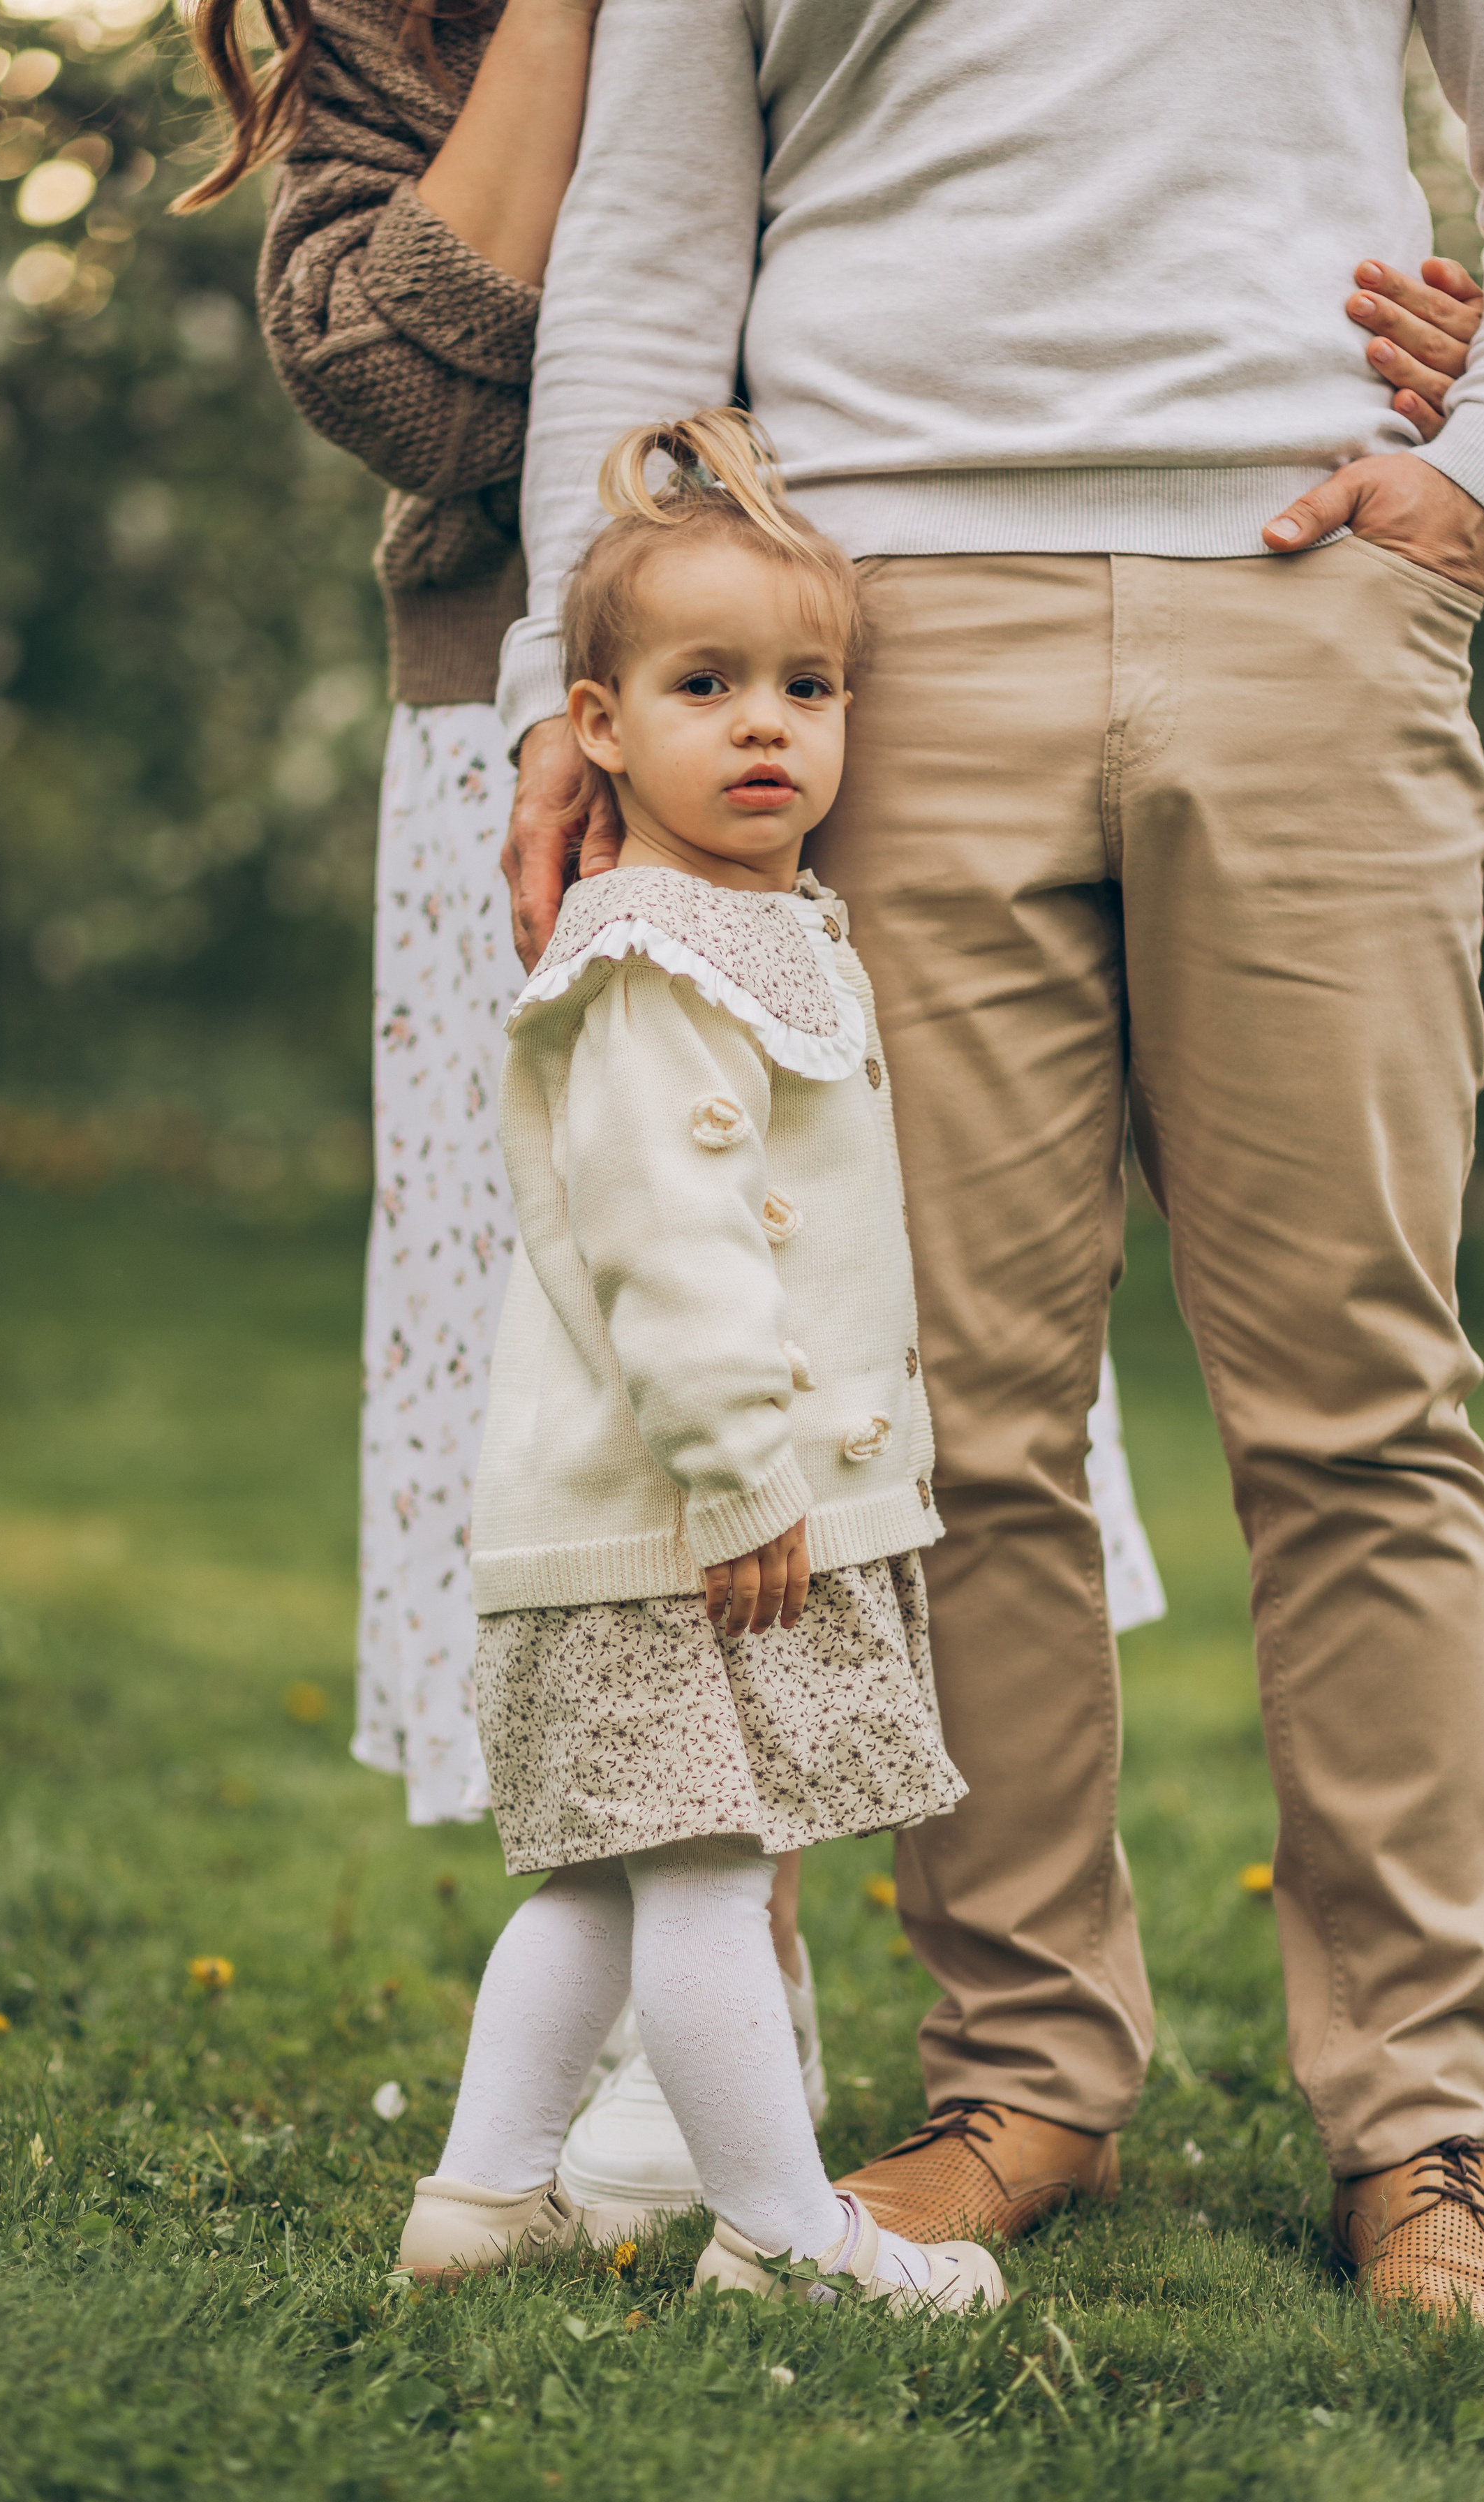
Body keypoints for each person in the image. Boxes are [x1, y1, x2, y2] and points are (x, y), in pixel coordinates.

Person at [495, 0, 1484, 2321]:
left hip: (1314, 593)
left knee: (1363, 1401)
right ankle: (1022, 2079)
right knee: (955, 1416)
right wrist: (570, 673)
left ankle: (1421, 2131)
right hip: (884, 633)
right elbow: (640, 250)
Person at [395, 410, 1001, 2314]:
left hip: (654, 1519)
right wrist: (754, 1478)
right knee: (713, 1871)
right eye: (705, 684)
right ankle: (787, 2233)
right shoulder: (655, 958)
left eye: (806, 687)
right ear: (597, 726)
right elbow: (676, 1248)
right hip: (690, 1516)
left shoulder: (763, 926)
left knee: (601, 1873)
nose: (767, 726)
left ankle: (485, 2204)